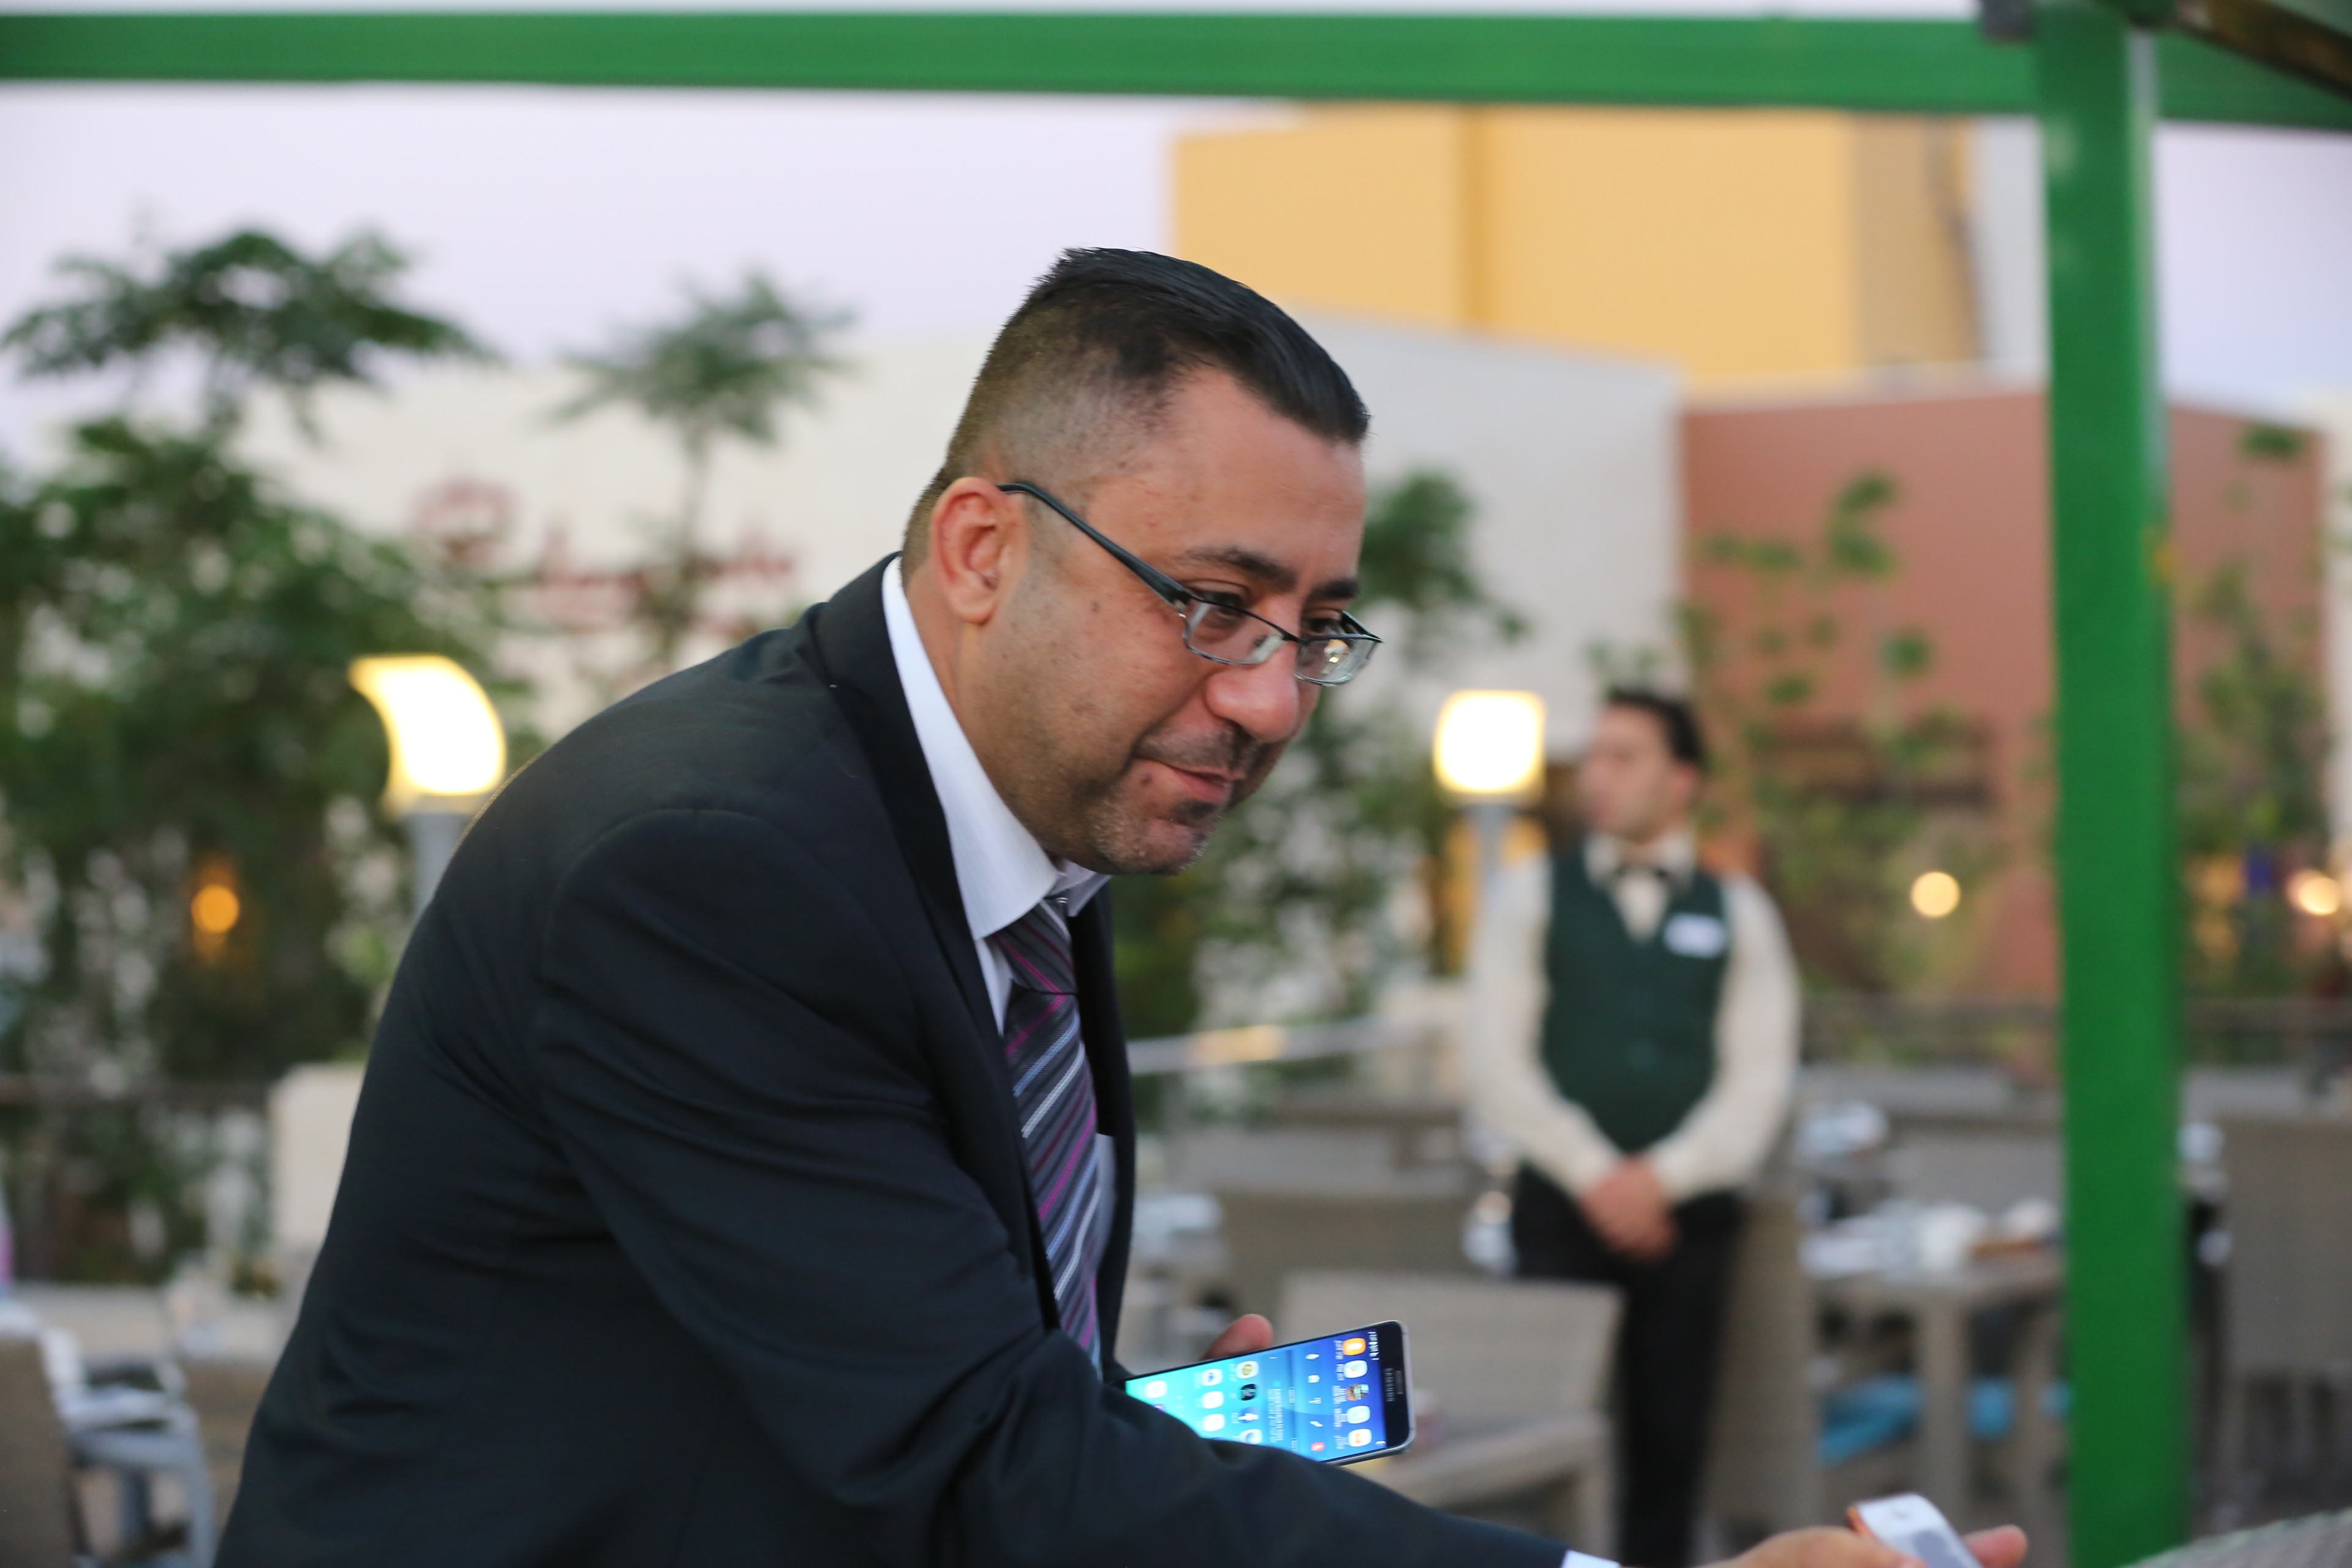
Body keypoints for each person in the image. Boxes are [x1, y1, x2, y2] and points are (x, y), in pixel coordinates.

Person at [222, 252, 2015, 1568]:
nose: (1272, 696)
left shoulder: (1019, 811)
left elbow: (913, 1390)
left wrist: (1142, 1440)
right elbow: (976, 1462)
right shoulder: (708, 868)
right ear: (982, 549)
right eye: (1214, 601)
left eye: (1316, 625)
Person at [1468, 690, 1803, 1567]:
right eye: (1595, 756)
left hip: (1690, 1221)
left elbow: (1760, 1081)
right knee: (1542, 1436)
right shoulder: (1531, 894)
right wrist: (1597, 1176)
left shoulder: (1741, 911)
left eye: (1625, 757)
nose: (1598, 776)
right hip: (1557, 1208)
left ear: (1682, 779)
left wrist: (1661, 1181)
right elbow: (1496, 1063)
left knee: (1672, 1444)